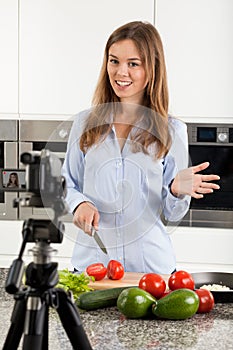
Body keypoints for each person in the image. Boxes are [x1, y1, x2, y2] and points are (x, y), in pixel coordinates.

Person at [62, 21, 220, 274]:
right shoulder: (84, 123)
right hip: (93, 266)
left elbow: (173, 213)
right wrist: (79, 204)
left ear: (152, 68)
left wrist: (177, 191)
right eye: (114, 61)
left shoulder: (172, 130)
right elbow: (68, 182)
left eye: (133, 64)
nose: (120, 72)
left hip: (150, 270)